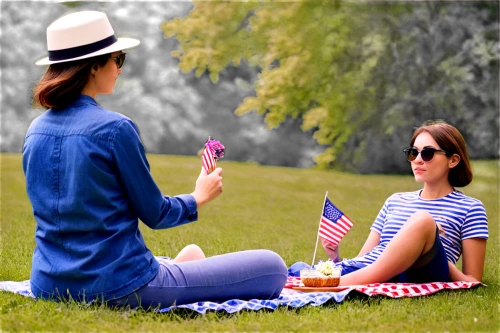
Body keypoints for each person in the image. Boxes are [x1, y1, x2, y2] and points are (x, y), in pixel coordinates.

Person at [24, 10, 287, 309]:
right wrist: (198, 197)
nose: (120, 69)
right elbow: (156, 213)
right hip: (118, 286)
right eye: (118, 59)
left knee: (191, 253)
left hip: (48, 284)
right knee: (273, 266)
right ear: (95, 66)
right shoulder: (115, 128)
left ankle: (178, 273)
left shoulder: (36, 130)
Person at [292, 122, 488, 285]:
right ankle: (331, 279)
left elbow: (471, 280)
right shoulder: (395, 200)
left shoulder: (471, 208)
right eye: (413, 153)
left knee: (423, 220)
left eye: (427, 153)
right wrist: (335, 257)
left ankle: (336, 285)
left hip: (419, 271)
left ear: (453, 161)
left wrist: (432, 238)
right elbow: (365, 260)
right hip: (370, 274)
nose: (418, 160)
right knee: (282, 268)